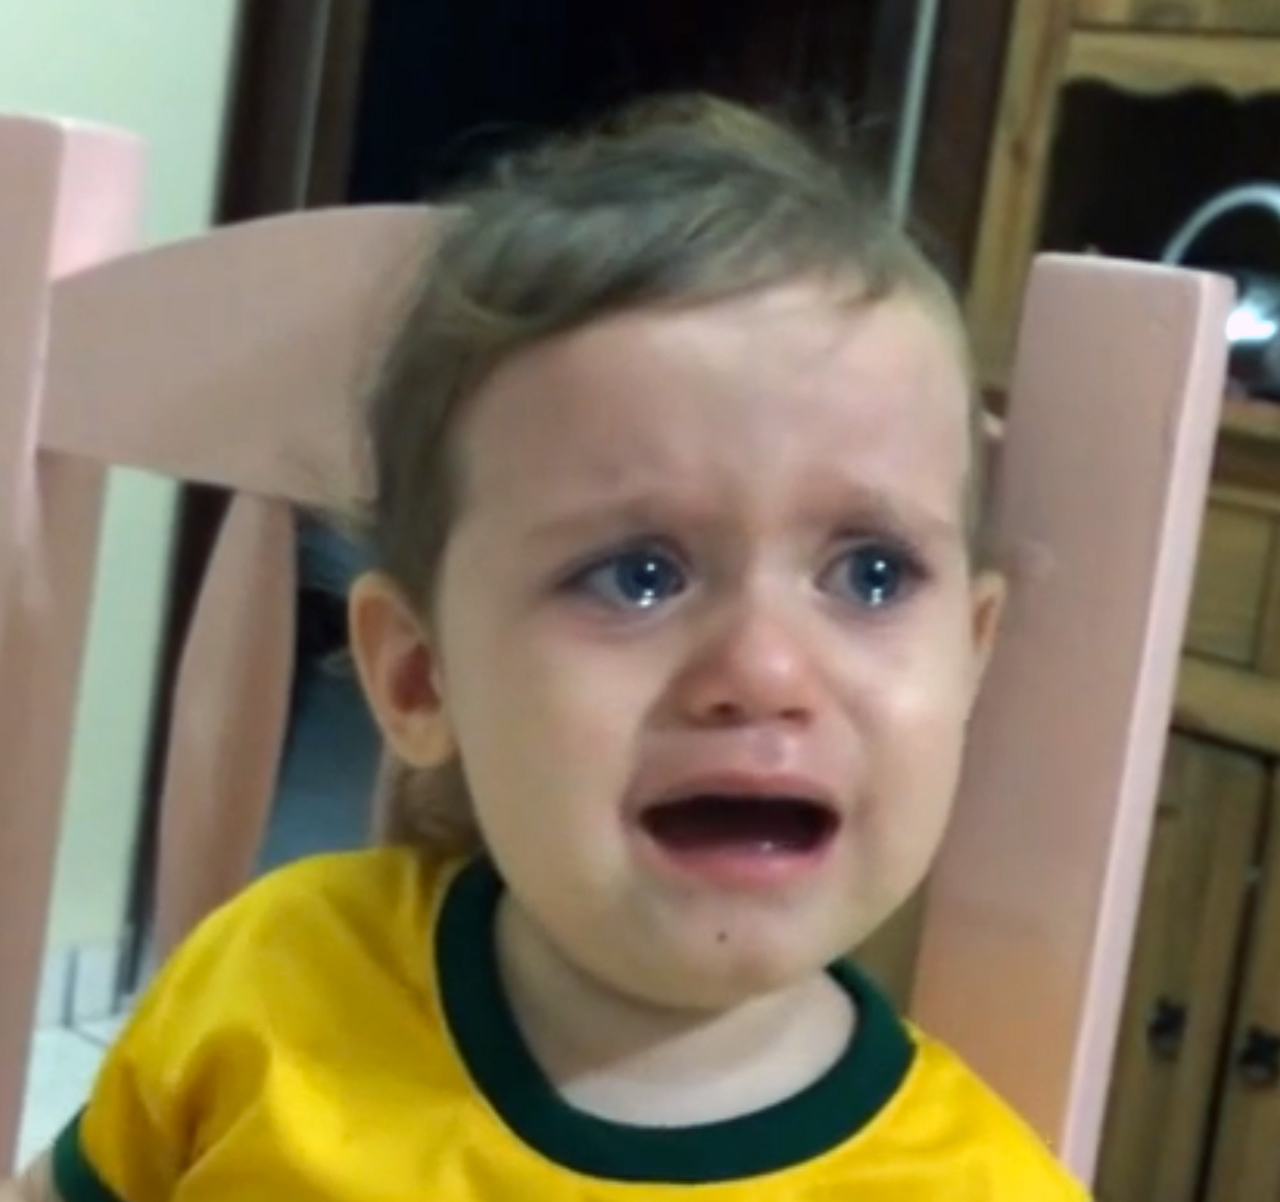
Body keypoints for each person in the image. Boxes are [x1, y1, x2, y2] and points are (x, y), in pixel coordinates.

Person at [5, 94, 1088, 1200]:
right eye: (638, 574)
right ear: (419, 676)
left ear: (969, 653)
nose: (763, 669)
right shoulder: (273, 980)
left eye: (868, 573)